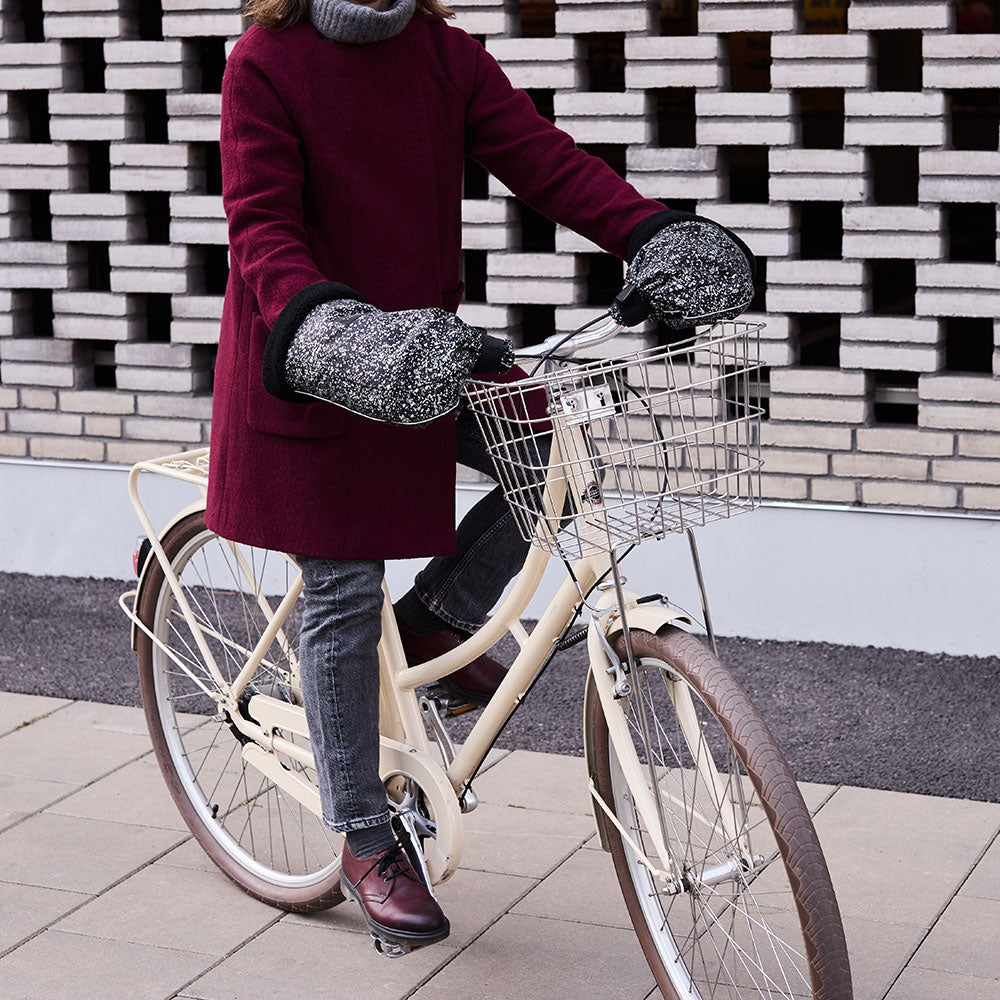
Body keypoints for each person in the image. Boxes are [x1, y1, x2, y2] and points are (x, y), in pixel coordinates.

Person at [208, 0, 755, 953]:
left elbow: (547, 161)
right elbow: (261, 229)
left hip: (428, 355)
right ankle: (366, 839)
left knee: (546, 451)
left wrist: (649, 235)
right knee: (342, 586)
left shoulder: (441, 54)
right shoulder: (266, 62)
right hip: (316, 358)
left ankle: (436, 617)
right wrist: (331, 330)